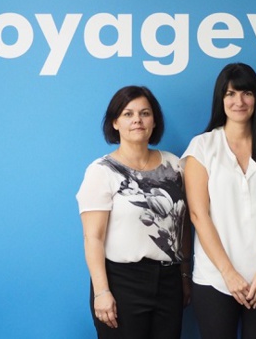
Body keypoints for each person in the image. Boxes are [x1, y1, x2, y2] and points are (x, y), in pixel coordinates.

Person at [182, 63, 256, 338]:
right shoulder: (203, 146)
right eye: (230, 94)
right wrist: (228, 273)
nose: (238, 102)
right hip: (215, 279)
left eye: (246, 93)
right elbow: (199, 215)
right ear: (220, 99)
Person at [76, 85, 192, 339]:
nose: (137, 120)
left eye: (144, 113)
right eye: (128, 114)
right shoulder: (102, 171)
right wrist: (102, 291)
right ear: (115, 122)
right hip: (121, 282)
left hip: (169, 280)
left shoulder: (175, 165)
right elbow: (92, 238)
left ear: (154, 121)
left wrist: (184, 275)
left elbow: (182, 224)